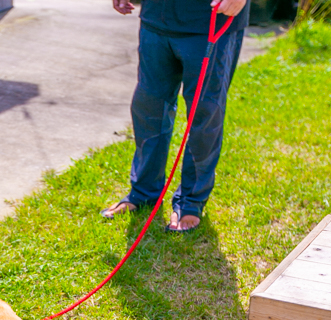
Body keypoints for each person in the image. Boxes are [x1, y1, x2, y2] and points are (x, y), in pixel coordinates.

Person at [102, 0, 249, 232]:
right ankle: (144, 191)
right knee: (148, 108)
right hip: (156, 17)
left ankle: (191, 201)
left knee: (204, 115)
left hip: (211, 19)